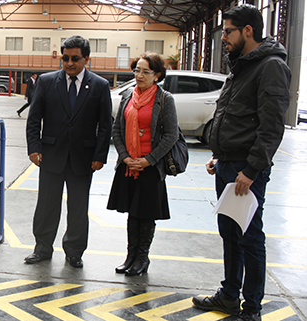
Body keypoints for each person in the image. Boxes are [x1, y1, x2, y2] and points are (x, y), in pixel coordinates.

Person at [191, 5, 291, 321]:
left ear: (248, 30)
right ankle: (230, 296)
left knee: (250, 237)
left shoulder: (270, 66)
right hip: (228, 165)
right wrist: (219, 154)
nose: (224, 37)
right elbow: (233, 115)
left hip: (245, 171)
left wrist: (251, 169)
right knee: (230, 234)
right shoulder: (243, 65)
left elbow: (271, 126)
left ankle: (252, 308)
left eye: (229, 31)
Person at [24, 35, 113, 268]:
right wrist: (34, 147)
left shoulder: (100, 86)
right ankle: (42, 248)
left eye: (75, 58)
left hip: (83, 159)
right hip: (51, 155)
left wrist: (99, 155)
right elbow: (34, 119)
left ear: (87, 59)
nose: (69, 63)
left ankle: (74, 252)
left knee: (78, 208)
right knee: (46, 205)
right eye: (65, 58)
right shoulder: (46, 81)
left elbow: (105, 125)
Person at [106, 52, 178, 276]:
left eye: (145, 71)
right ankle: (130, 257)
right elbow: (117, 128)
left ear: (157, 75)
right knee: (132, 214)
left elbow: (171, 135)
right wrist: (125, 156)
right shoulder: (128, 95)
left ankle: (142, 258)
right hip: (129, 164)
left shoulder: (165, 99)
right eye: (137, 70)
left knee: (145, 214)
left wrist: (148, 160)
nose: (139, 75)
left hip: (150, 168)